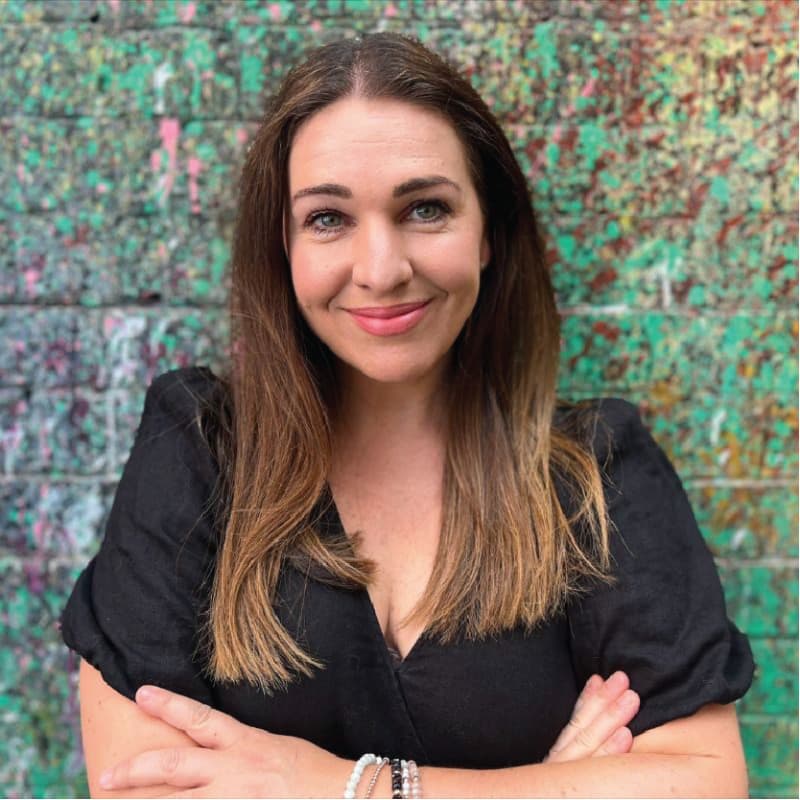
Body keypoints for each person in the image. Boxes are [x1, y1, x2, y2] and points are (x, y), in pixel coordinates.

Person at [60, 32, 754, 798]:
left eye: (425, 209)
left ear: (488, 231)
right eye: (328, 219)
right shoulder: (197, 451)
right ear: (282, 248)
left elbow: (704, 784)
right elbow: (142, 789)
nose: (383, 269)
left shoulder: (599, 474)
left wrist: (348, 787)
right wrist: (549, 788)